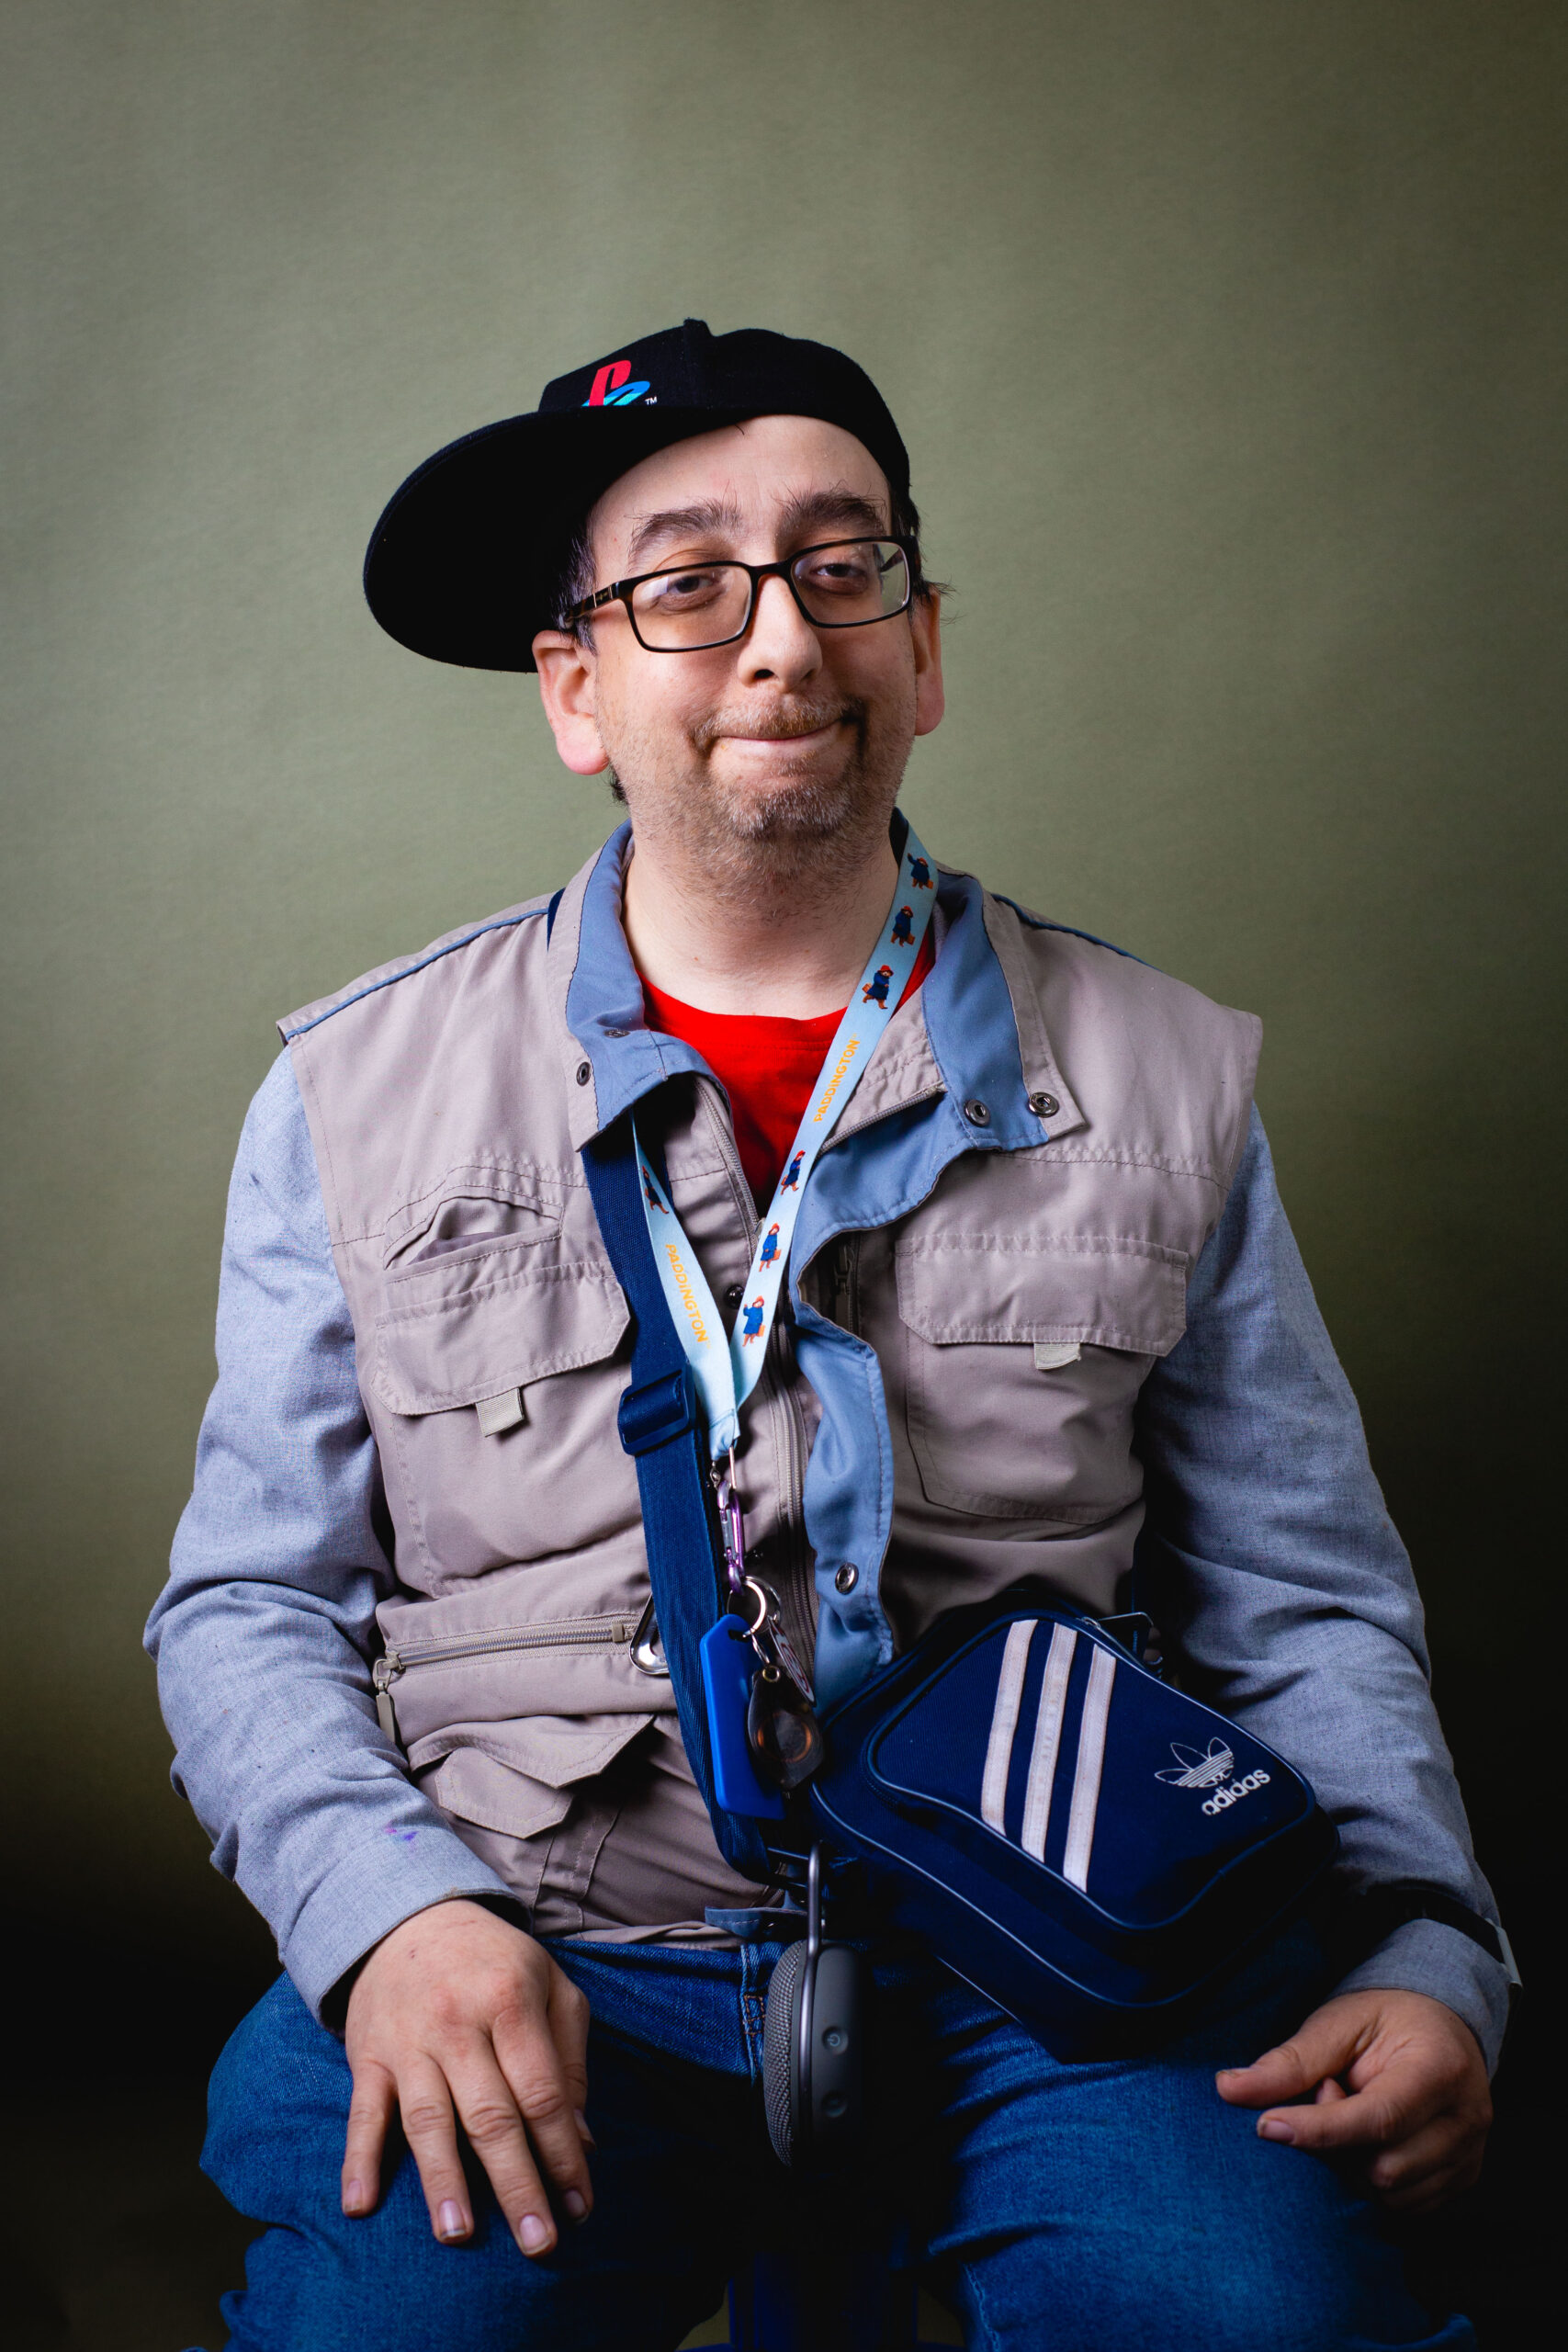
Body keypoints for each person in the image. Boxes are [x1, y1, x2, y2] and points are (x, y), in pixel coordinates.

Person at [147, 319, 1510, 2352]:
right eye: (682, 585)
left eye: (839, 563)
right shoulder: (353, 1093)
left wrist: (1424, 1944)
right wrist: (393, 1913)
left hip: (1056, 1963)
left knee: (1262, 2315)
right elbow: (247, 1600)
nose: (779, 637)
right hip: (559, 1945)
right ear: (573, 691)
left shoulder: (1160, 1071)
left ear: (922, 645)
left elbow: (1305, 1598)